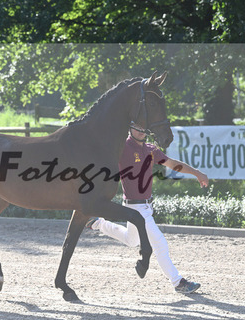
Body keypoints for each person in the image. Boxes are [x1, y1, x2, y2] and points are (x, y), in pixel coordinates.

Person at [86, 123, 209, 294]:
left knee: (131, 240)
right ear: (129, 127)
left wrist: (196, 172)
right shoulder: (122, 146)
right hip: (135, 208)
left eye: (143, 127)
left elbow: (172, 164)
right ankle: (178, 282)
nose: (141, 131)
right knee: (160, 244)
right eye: (137, 126)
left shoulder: (151, 149)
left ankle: (98, 224)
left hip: (146, 206)